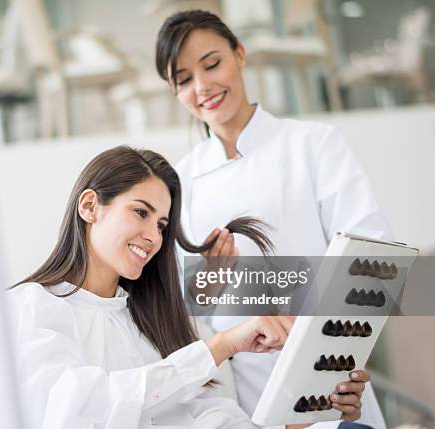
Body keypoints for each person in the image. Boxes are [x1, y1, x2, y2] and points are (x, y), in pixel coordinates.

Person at [11, 146, 369, 428]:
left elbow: (206, 417)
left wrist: (300, 415)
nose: (153, 237)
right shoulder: (31, 308)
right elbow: (79, 408)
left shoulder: (149, 320)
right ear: (90, 206)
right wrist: (220, 347)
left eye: (162, 224)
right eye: (141, 212)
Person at [155, 9, 392, 428]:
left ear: (240, 55)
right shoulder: (179, 182)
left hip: (331, 381)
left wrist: (318, 345)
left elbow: (372, 259)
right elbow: (182, 307)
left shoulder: (313, 145)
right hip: (240, 400)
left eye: (212, 64)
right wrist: (210, 278)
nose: (203, 86)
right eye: (184, 79)